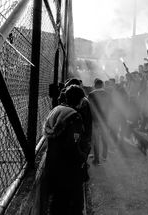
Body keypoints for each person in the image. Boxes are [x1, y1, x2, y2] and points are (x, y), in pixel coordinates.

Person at [43, 85, 86, 214]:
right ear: (80, 99)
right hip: (68, 170)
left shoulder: (56, 110)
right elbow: (71, 146)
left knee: (56, 203)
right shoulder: (74, 117)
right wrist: (82, 158)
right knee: (73, 205)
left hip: (52, 163)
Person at [88, 79, 110, 165]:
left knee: (96, 139)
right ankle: (104, 156)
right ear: (102, 85)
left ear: (95, 85)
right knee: (105, 137)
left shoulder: (91, 94)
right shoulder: (107, 94)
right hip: (104, 119)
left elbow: (89, 107)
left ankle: (96, 160)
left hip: (95, 120)